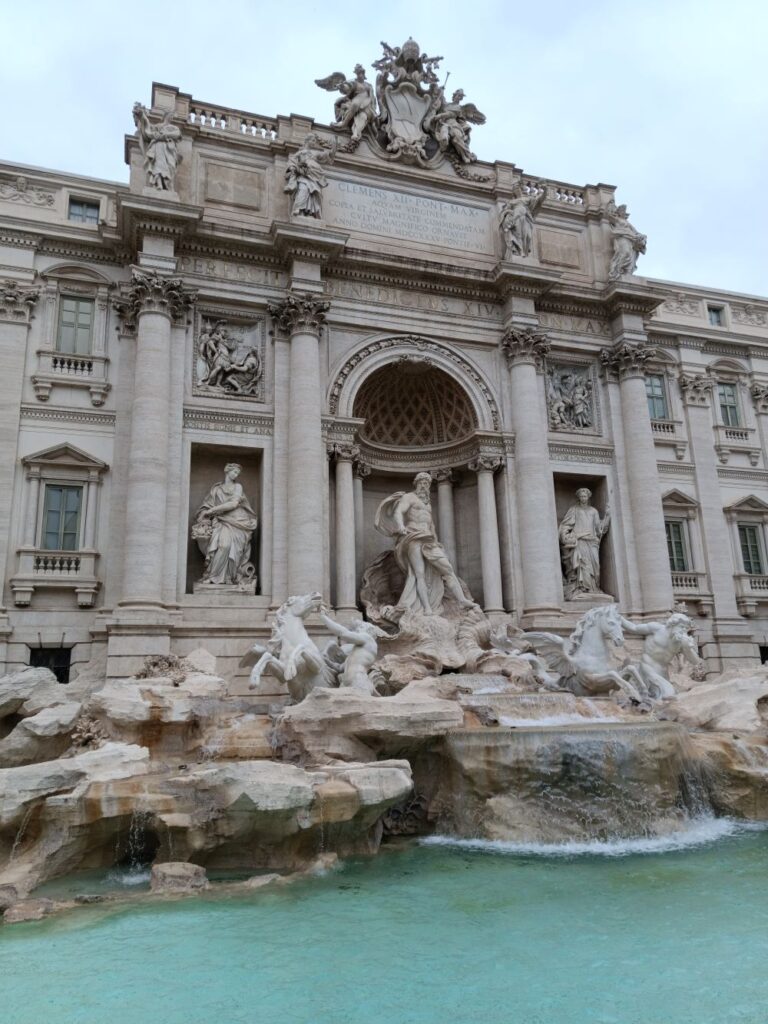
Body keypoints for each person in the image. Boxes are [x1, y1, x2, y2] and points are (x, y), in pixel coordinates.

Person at [375, 472, 475, 615]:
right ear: (416, 484)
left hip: (428, 539)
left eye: (427, 483)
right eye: (421, 482)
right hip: (413, 536)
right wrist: (400, 526)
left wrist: (435, 540)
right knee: (419, 573)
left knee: (447, 569)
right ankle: (427, 608)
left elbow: (431, 524)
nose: (424, 486)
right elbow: (398, 511)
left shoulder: (427, 504)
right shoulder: (409, 497)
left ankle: (462, 600)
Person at [192, 464, 258, 585]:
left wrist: (211, 511)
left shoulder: (238, 486)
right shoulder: (216, 489)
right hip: (221, 521)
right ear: (227, 471)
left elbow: (233, 504)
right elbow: (205, 506)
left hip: (238, 522)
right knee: (224, 546)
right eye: (234, 472)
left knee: (234, 550)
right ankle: (213, 577)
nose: (236, 475)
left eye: (238, 473)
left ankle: (229, 578)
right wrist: (204, 514)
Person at [619, 612, 705, 699]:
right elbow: (634, 628)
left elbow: (695, 661)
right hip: (647, 668)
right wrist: (619, 618)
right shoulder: (656, 629)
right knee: (668, 693)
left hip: (663, 674)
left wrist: (688, 648)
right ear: (673, 624)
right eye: (681, 627)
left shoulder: (681, 642)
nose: (683, 631)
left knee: (663, 696)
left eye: (686, 628)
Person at [558, 487, 610, 599]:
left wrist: (607, 516)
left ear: (588, 497)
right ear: (579, 497)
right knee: (583, 565)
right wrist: (565, 536)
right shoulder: (574, 509)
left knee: (595, 566)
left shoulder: (593, 511)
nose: (583, 498)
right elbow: (565, 525)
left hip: (592, 542)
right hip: (580, 540)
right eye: (581, 496)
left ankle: (594, 588)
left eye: (585, 496)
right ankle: (583, 588)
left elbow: (599, 528)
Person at [284, 133, 334, 218]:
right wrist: (294, 168)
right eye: (313, 140)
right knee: (303, 190)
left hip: (315, 176)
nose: (314, 142)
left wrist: (334, 146)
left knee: (314, 193)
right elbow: (291, 162)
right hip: (304, 175)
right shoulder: (300, 153)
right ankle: (298, 210)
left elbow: (328, 155)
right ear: (307, 140)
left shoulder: (315, 153)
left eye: (315, 140)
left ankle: (310, 212)